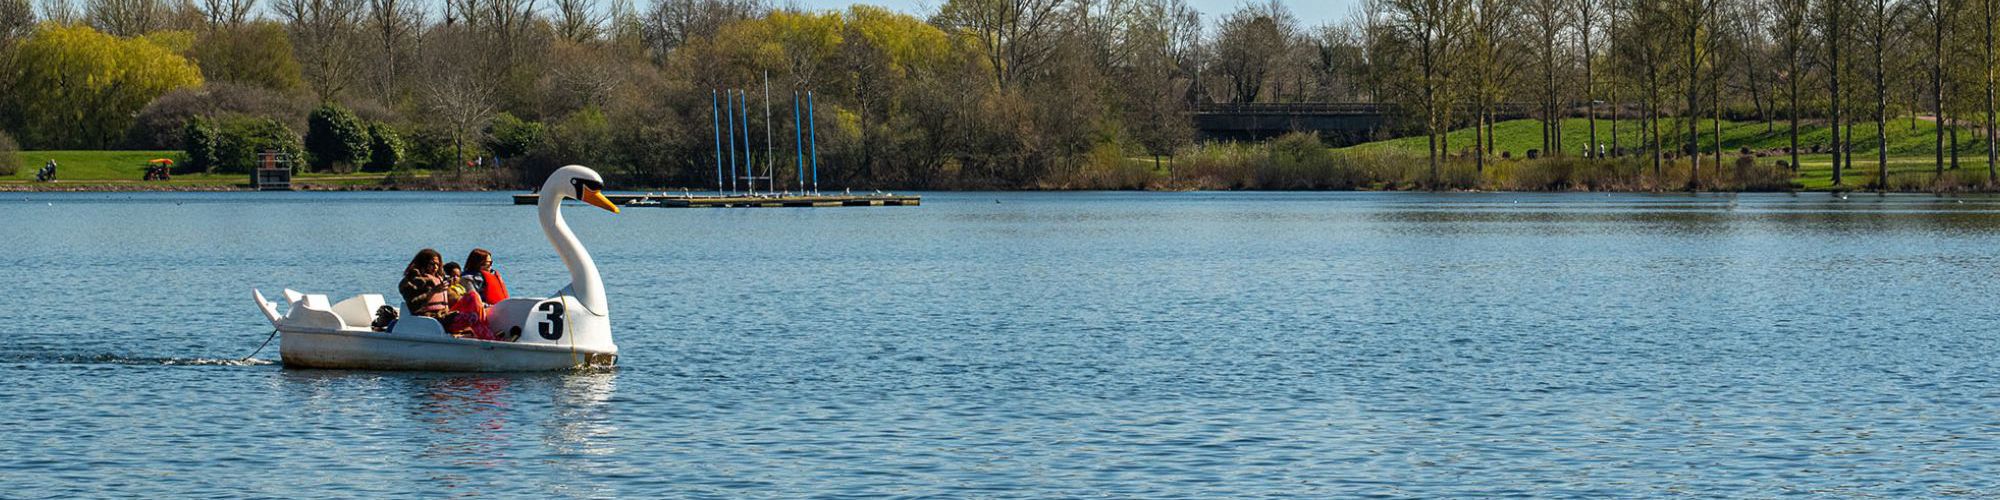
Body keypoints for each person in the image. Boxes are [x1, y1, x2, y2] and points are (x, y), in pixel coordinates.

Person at [398, 249, 451, 319]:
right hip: (427, 317)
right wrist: (433, 292)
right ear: (423, 263)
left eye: (437, 264)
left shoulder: (440, 279)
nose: (435, 267)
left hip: (443, 314)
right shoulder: (411, 281)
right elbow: (413, 305)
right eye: (432, 264)